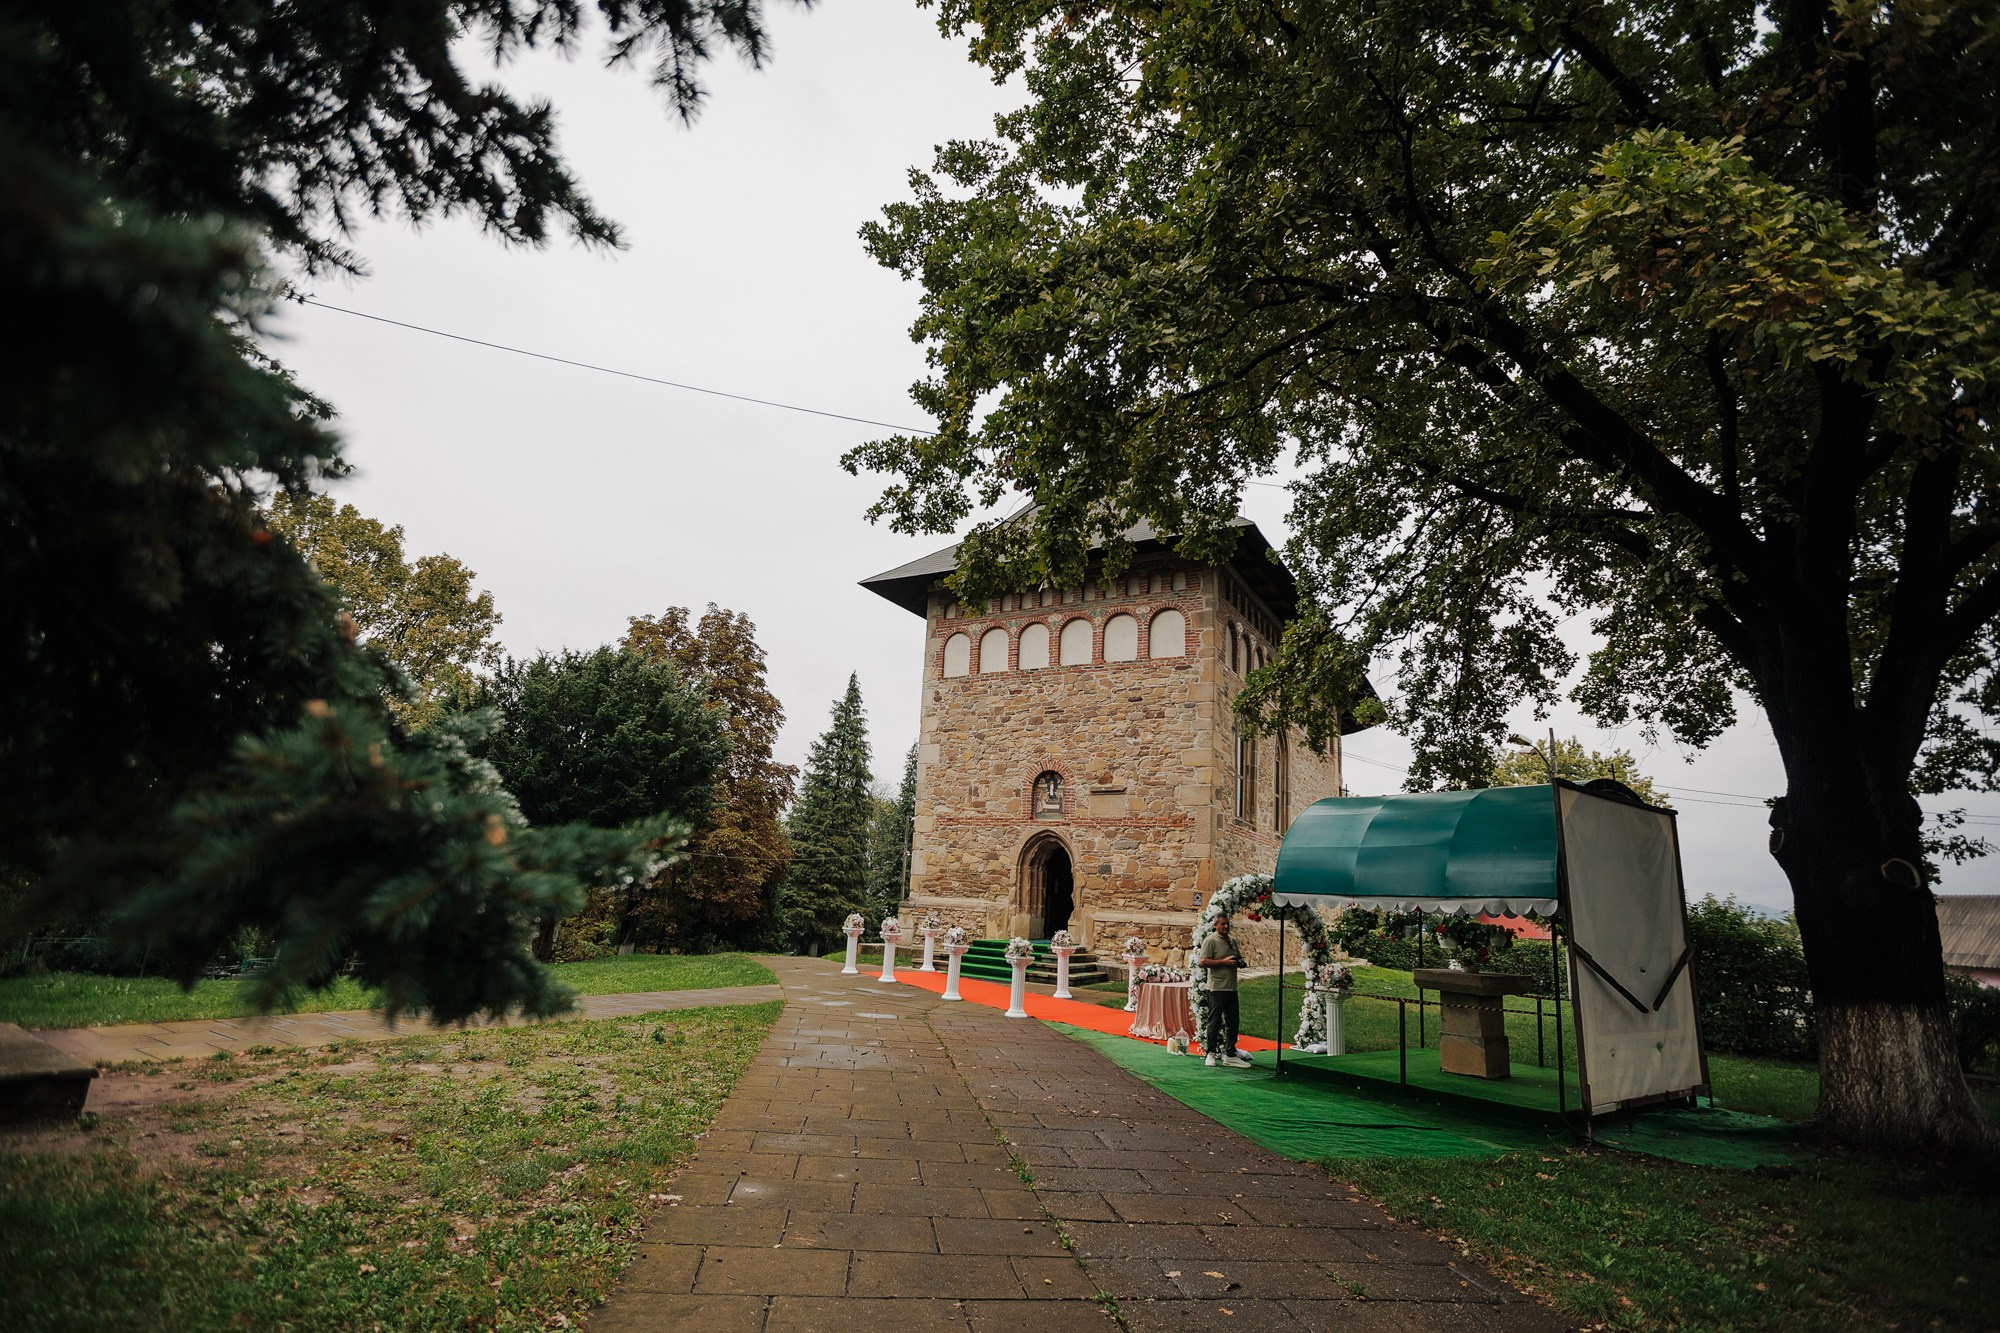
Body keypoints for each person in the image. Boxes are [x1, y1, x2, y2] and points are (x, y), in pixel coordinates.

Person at [1197, 914, 1253, 1068]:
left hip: (1231, 987)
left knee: (1233, 1022)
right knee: (1214, 1022)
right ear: (1215, 925)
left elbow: (1236, 957)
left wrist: (1240, 962)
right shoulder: (1211, 940)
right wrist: (1224, 962)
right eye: (1222, 924)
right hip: (1216, 988)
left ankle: (1230, 1053)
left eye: (1227, 924)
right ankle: (1211, 1053)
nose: (1226, 927)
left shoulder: (1232, 940)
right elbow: (1203, 962)